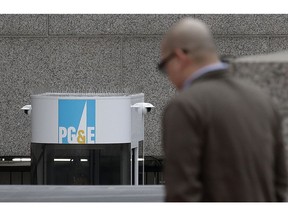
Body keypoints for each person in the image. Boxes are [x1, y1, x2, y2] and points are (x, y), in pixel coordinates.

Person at [159, 18, 288, 201]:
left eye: (164, 66)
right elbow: (281, 182)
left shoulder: (185, 107)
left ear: (180, 56)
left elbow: (181, 194)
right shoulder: (262, 99)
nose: (169, 76)